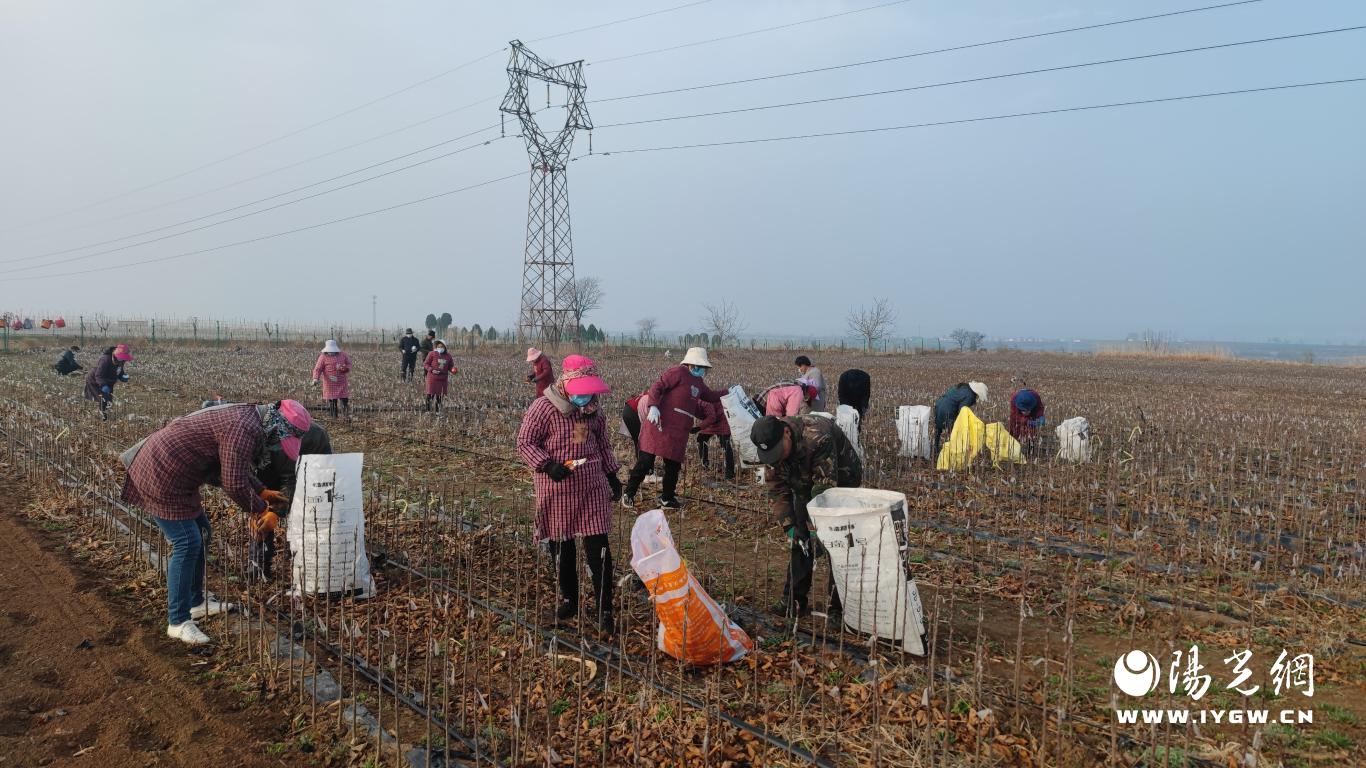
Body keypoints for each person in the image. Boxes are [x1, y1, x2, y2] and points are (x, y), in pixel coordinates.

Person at [121, 400, 312, 644]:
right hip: (161, 472)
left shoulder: (252, 420)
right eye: (280, 439)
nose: (277, 445)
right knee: (187, 542)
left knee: (202, 532)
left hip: (176, 471)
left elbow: (232, 469)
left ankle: (195, 602)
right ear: (277, 426)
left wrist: (262, 491)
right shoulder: (245, 428)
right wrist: (261, 509)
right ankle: (178, 621)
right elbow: (233, 482)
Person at [516, 357, 621, 631]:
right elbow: (525, 443)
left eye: (590, 392)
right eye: (581, 391)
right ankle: (569, 599)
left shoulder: (594, 411)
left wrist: (612, 475)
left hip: (592, 486)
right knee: (562, 547)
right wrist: (547, 465)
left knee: (599, 549)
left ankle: (604, 610)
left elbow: (604, 445)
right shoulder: (543, 408)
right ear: (566, 384)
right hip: (557, 487)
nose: (585, 398)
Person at [750, 414, 862, 618]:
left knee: (838, 544)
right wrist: (790, 526)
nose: (776, 459)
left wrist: (816, 528)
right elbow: (777, 489)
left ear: (786, 433)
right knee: (800, 541)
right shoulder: (772, 449)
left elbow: (824, 490)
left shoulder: (818, 437)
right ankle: (793, 601)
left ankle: (839, 608)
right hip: (805, 484)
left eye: (778, 452)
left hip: (841, 483)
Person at [622, 348, 724, 510]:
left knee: (673, 465)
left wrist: (728, 393)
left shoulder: (698, 382)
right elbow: (657, 387)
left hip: (679, 429)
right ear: (690, 364)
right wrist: (654, 406)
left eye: (703, 368)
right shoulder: (677, 372)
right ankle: (629, 492)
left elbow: (709, 396)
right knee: (646, 460)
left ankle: (667, 498)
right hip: (660, 423)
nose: (701, 370)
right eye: (698, 366)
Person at [933, 381, 988, 455]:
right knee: (953, 432)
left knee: (938, 428)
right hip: (948, 410)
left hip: (939, 405)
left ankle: (935, 448)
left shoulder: (964, 387)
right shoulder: (970, 395)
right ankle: (953, 451)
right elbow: (962, 410)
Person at [84, 344, 132, 420]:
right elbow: (99, 375)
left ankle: (105, 414)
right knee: (103, 398)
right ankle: (103, 417)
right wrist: (103, 385)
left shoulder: (120, 361)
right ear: (115, 356)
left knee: (108, 399)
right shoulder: (105, 360)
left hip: (108, 381)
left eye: (123, 360)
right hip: (95, 380)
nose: (122, 362)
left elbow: (119, 371)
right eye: (121, 360)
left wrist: (122, 376)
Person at [694, 399, 735, 480]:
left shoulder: (704, 403)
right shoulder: (688, 405)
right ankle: (704, 464)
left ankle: (730, 472)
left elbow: (712, 417)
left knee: (725, 444)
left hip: (722, 418)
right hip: (711, 421)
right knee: (701, 439)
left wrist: (698, 427)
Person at [312, 340, 352, 418]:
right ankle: (334, 417)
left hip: (341, 382)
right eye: (330, 351)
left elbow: (349, 363)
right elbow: (318, 368)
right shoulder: (323, 357)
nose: (331, 353)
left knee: (344, 399)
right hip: (330, 383)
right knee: (332, 401)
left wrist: (346, 368)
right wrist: (315, 378)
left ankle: (345, 416)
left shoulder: (343, 355)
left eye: (332, 351)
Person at [1007, 380, 1046, 449]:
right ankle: (1014, 446)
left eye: (1028, 410)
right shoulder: (1014, 400)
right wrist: (1026, 421)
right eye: (1024, 411)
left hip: (1032, 416)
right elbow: (1014, 416)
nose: (1026, 412)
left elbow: (1039, 408)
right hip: (1017, 419)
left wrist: (1040, 416)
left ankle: (1030, 446)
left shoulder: (1035, 396)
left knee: (1031, 432)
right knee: (1015, 429)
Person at [423, 340, 457, 412]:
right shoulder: (432, 354)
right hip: (432, 378)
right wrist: (431, 370)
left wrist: (453, 369)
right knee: (430, 396)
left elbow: (450, 366)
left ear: (445, 347)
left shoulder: (448, 356)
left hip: (442, 380)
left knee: (439, 397)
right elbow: (426, 364)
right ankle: (428, 411)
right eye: (438, 347)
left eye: (442, 347)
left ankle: (438, 412)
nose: (440, 348)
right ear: (436, 347)